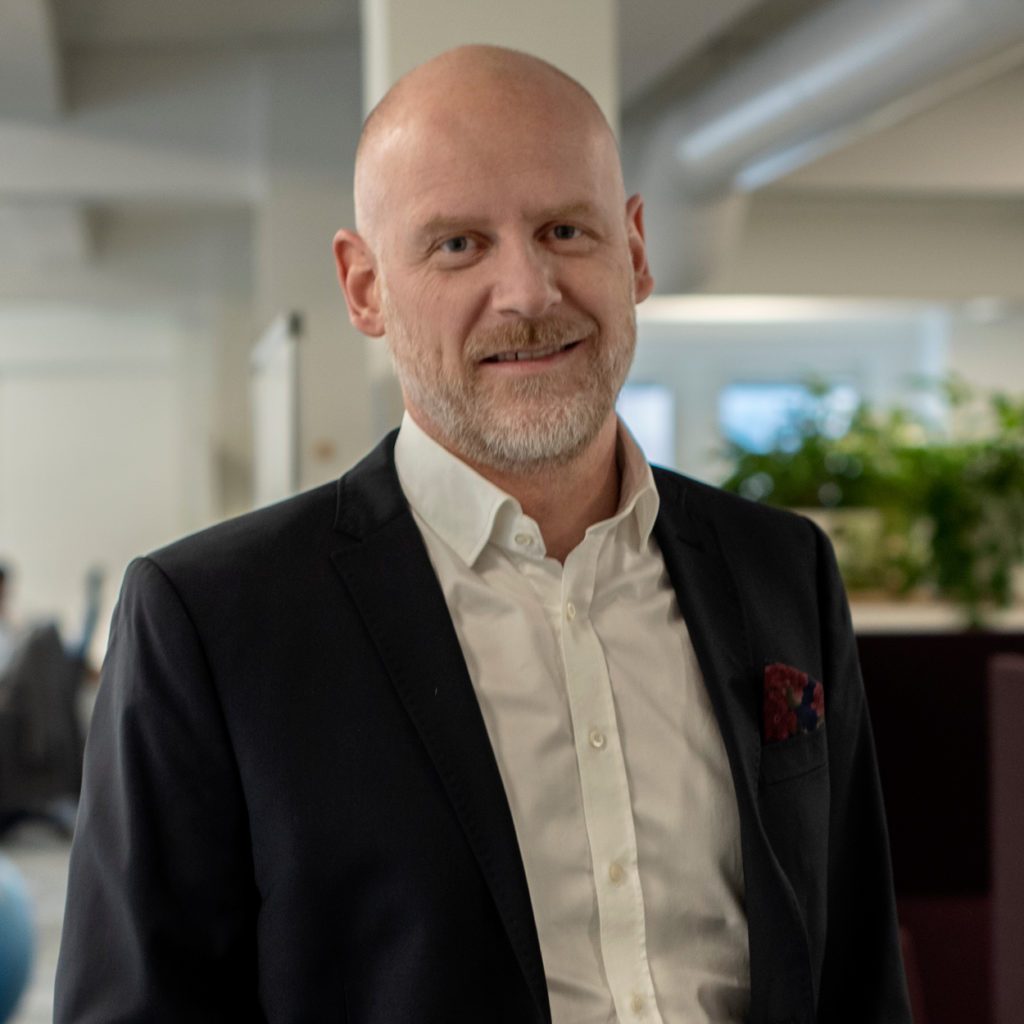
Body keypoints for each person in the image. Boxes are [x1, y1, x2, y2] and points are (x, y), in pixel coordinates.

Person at [56, 45, 911, 1024]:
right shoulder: (213, 621)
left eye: (564, 230)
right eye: (459, 244)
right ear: (365, 287)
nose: (529, 292)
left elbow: (855, 969)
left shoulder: (780, 569)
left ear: (634, 250)